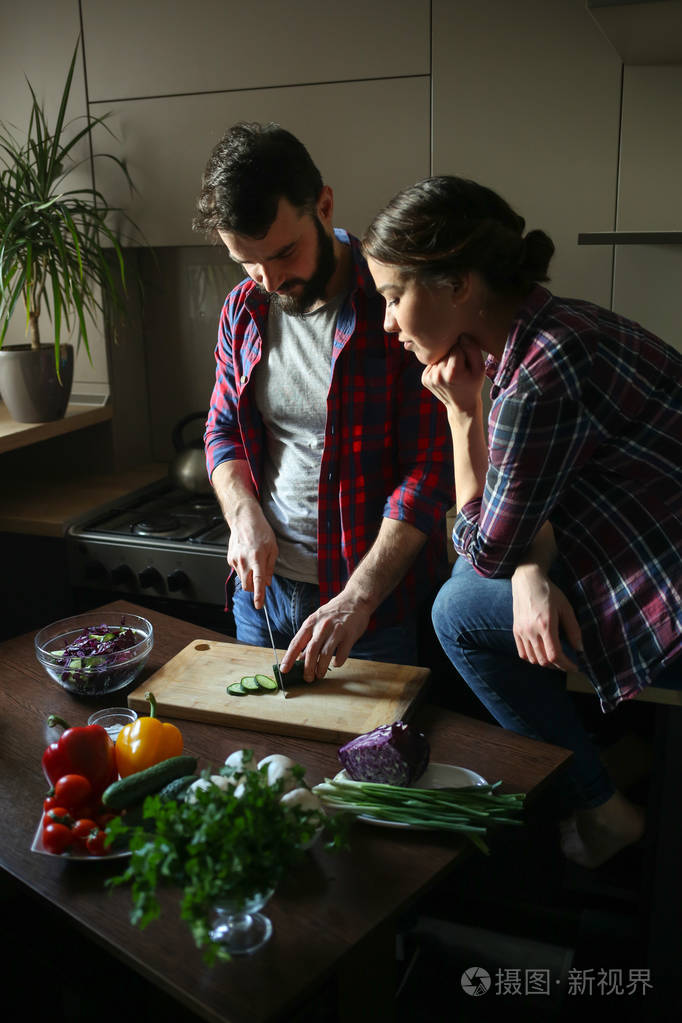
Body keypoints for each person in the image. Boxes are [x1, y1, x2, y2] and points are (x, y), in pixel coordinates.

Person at [363, 174, 682, 868]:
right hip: (639, 545)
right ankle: (603, 759)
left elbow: (481, 549)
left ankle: (598, 802)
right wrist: (532, 571)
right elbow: (528, 507)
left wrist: (460, 414)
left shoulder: (537, 375)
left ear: (458, 286)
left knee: (455, 613)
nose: (388, 321)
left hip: (668, 588)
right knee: (482, 597)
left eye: (394, 296)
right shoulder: (551, 331)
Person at [192, 123, 454, 682]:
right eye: (247, 261)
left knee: (363, 766)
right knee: (263, 764)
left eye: (285, 252)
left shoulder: (395, 308)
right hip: (261, 598)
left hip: (371, 609)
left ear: (326, 206)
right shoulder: (243, 309)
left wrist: (356, 599)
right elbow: (222, 432)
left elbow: (431, 472)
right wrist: (243, 516)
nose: (270, 279)